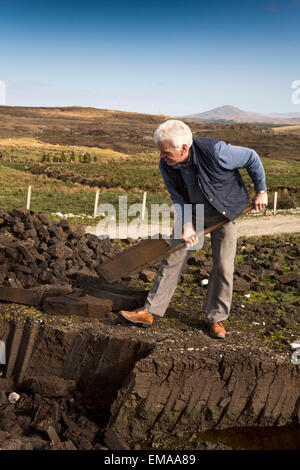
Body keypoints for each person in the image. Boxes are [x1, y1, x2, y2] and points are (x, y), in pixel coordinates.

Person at [119, 120, 268, 338]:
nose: (162, 156)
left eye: (166, 152)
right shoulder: (167, 164)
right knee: (173, 258)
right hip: (193, 211)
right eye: (160, 151)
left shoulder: (217, 152)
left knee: (224, 266)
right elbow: (178, 197)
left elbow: (251, 157)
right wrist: (187, 225)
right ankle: (149, 311)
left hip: (225, 212)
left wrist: (261, 191)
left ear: (184, 148)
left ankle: (216, 318)